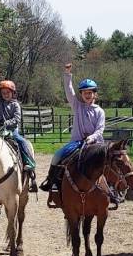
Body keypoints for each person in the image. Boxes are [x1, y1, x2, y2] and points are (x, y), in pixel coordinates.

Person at [39, 63, 117, 203]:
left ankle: (112, 189)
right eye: (85, 92)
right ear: (81, 94)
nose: (88, 95)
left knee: (111, 161)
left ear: (95, 94)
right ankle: (53, 183)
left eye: (90, 92)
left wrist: (92, 138)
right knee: (58, 155)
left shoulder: (100, 111)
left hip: (96, 144)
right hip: (77, 142)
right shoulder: (77, 106)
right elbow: (69, 91)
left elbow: (100, 129)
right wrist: (67, 74)